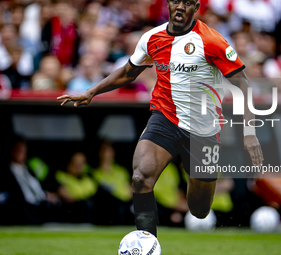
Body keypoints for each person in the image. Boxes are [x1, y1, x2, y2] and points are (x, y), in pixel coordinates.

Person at [58, 0, 263, 237]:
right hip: (164, 117)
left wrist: (250, 133)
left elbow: (243, 85)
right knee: (140, 176)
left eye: (186, 3)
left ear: (195, 7)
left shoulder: (212, 41)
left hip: (203, 129)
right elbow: (128, 72)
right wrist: (91, 91)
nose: (179, 7)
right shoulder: (151, 38)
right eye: (175, 1)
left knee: (199, 209)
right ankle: (147, 243)